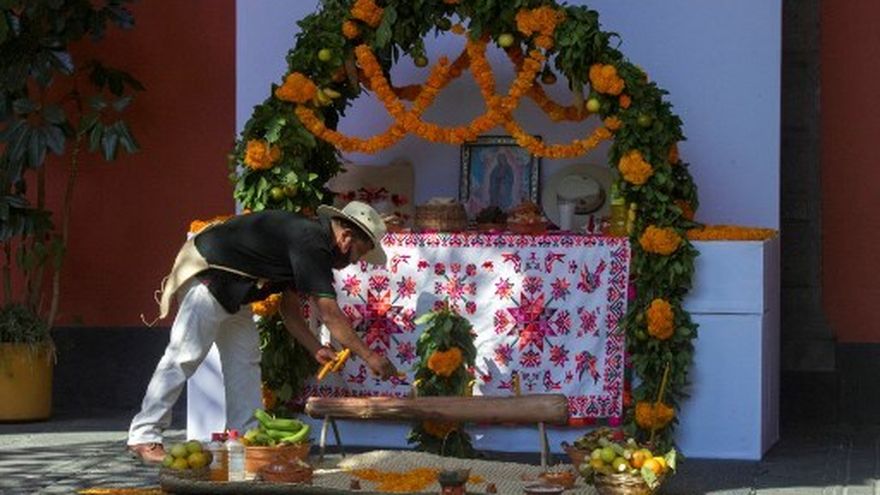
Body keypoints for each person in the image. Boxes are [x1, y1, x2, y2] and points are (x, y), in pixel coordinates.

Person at [127, 201, 397, 463]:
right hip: (209, 278)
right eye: (359, 253)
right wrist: (370, 356)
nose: (354, 261)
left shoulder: (312, 244)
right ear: (346, 237)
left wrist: (315, 348)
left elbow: (289, 309)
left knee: (245, 362)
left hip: (235, 292)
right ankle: (144, 435)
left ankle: (243, 439)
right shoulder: (311, 241)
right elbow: (329, 313)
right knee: (184, 356)